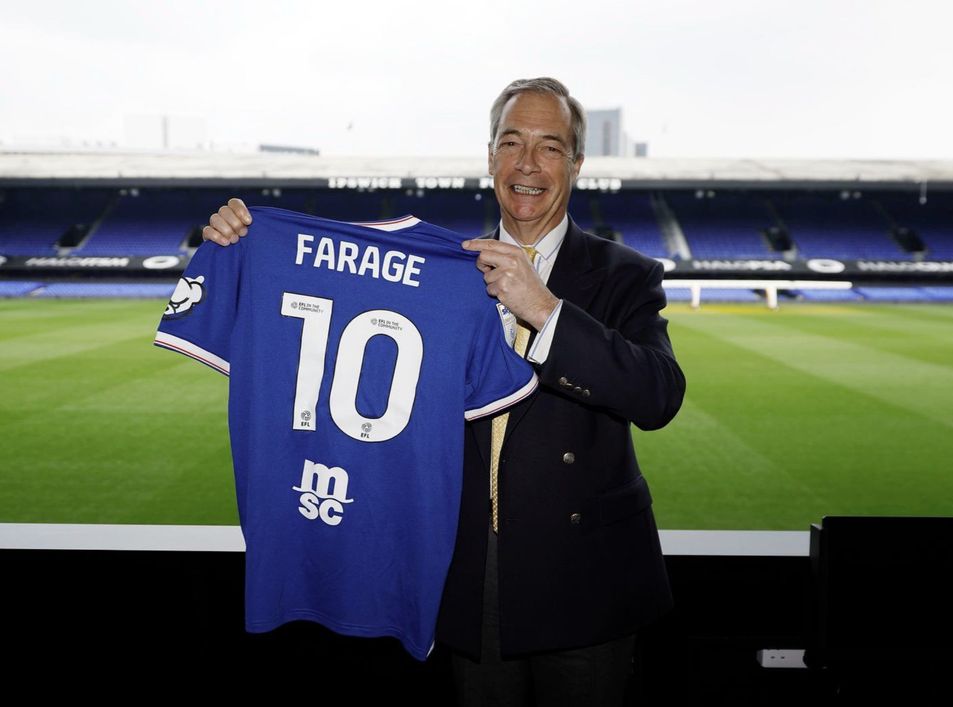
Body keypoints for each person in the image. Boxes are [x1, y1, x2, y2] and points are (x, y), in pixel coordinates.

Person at [203, 77, 685, 706]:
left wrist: (545, 309)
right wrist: (243, 245)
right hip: (466, 577)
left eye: (549, 146)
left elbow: (659, 395)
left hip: (584, 580)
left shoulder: (626, 275)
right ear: (490, 157)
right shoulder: (441, 270)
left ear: (577, 163)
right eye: (511, 143)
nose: (528, 165)